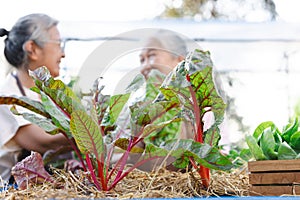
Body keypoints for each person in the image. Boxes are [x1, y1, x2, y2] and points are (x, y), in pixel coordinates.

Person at [0, 13, 69, 183]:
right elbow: (45, 142)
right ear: (32, 49)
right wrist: (92, 127)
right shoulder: (7, 97)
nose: (63, 54)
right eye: (58, 44)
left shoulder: (45, 96)